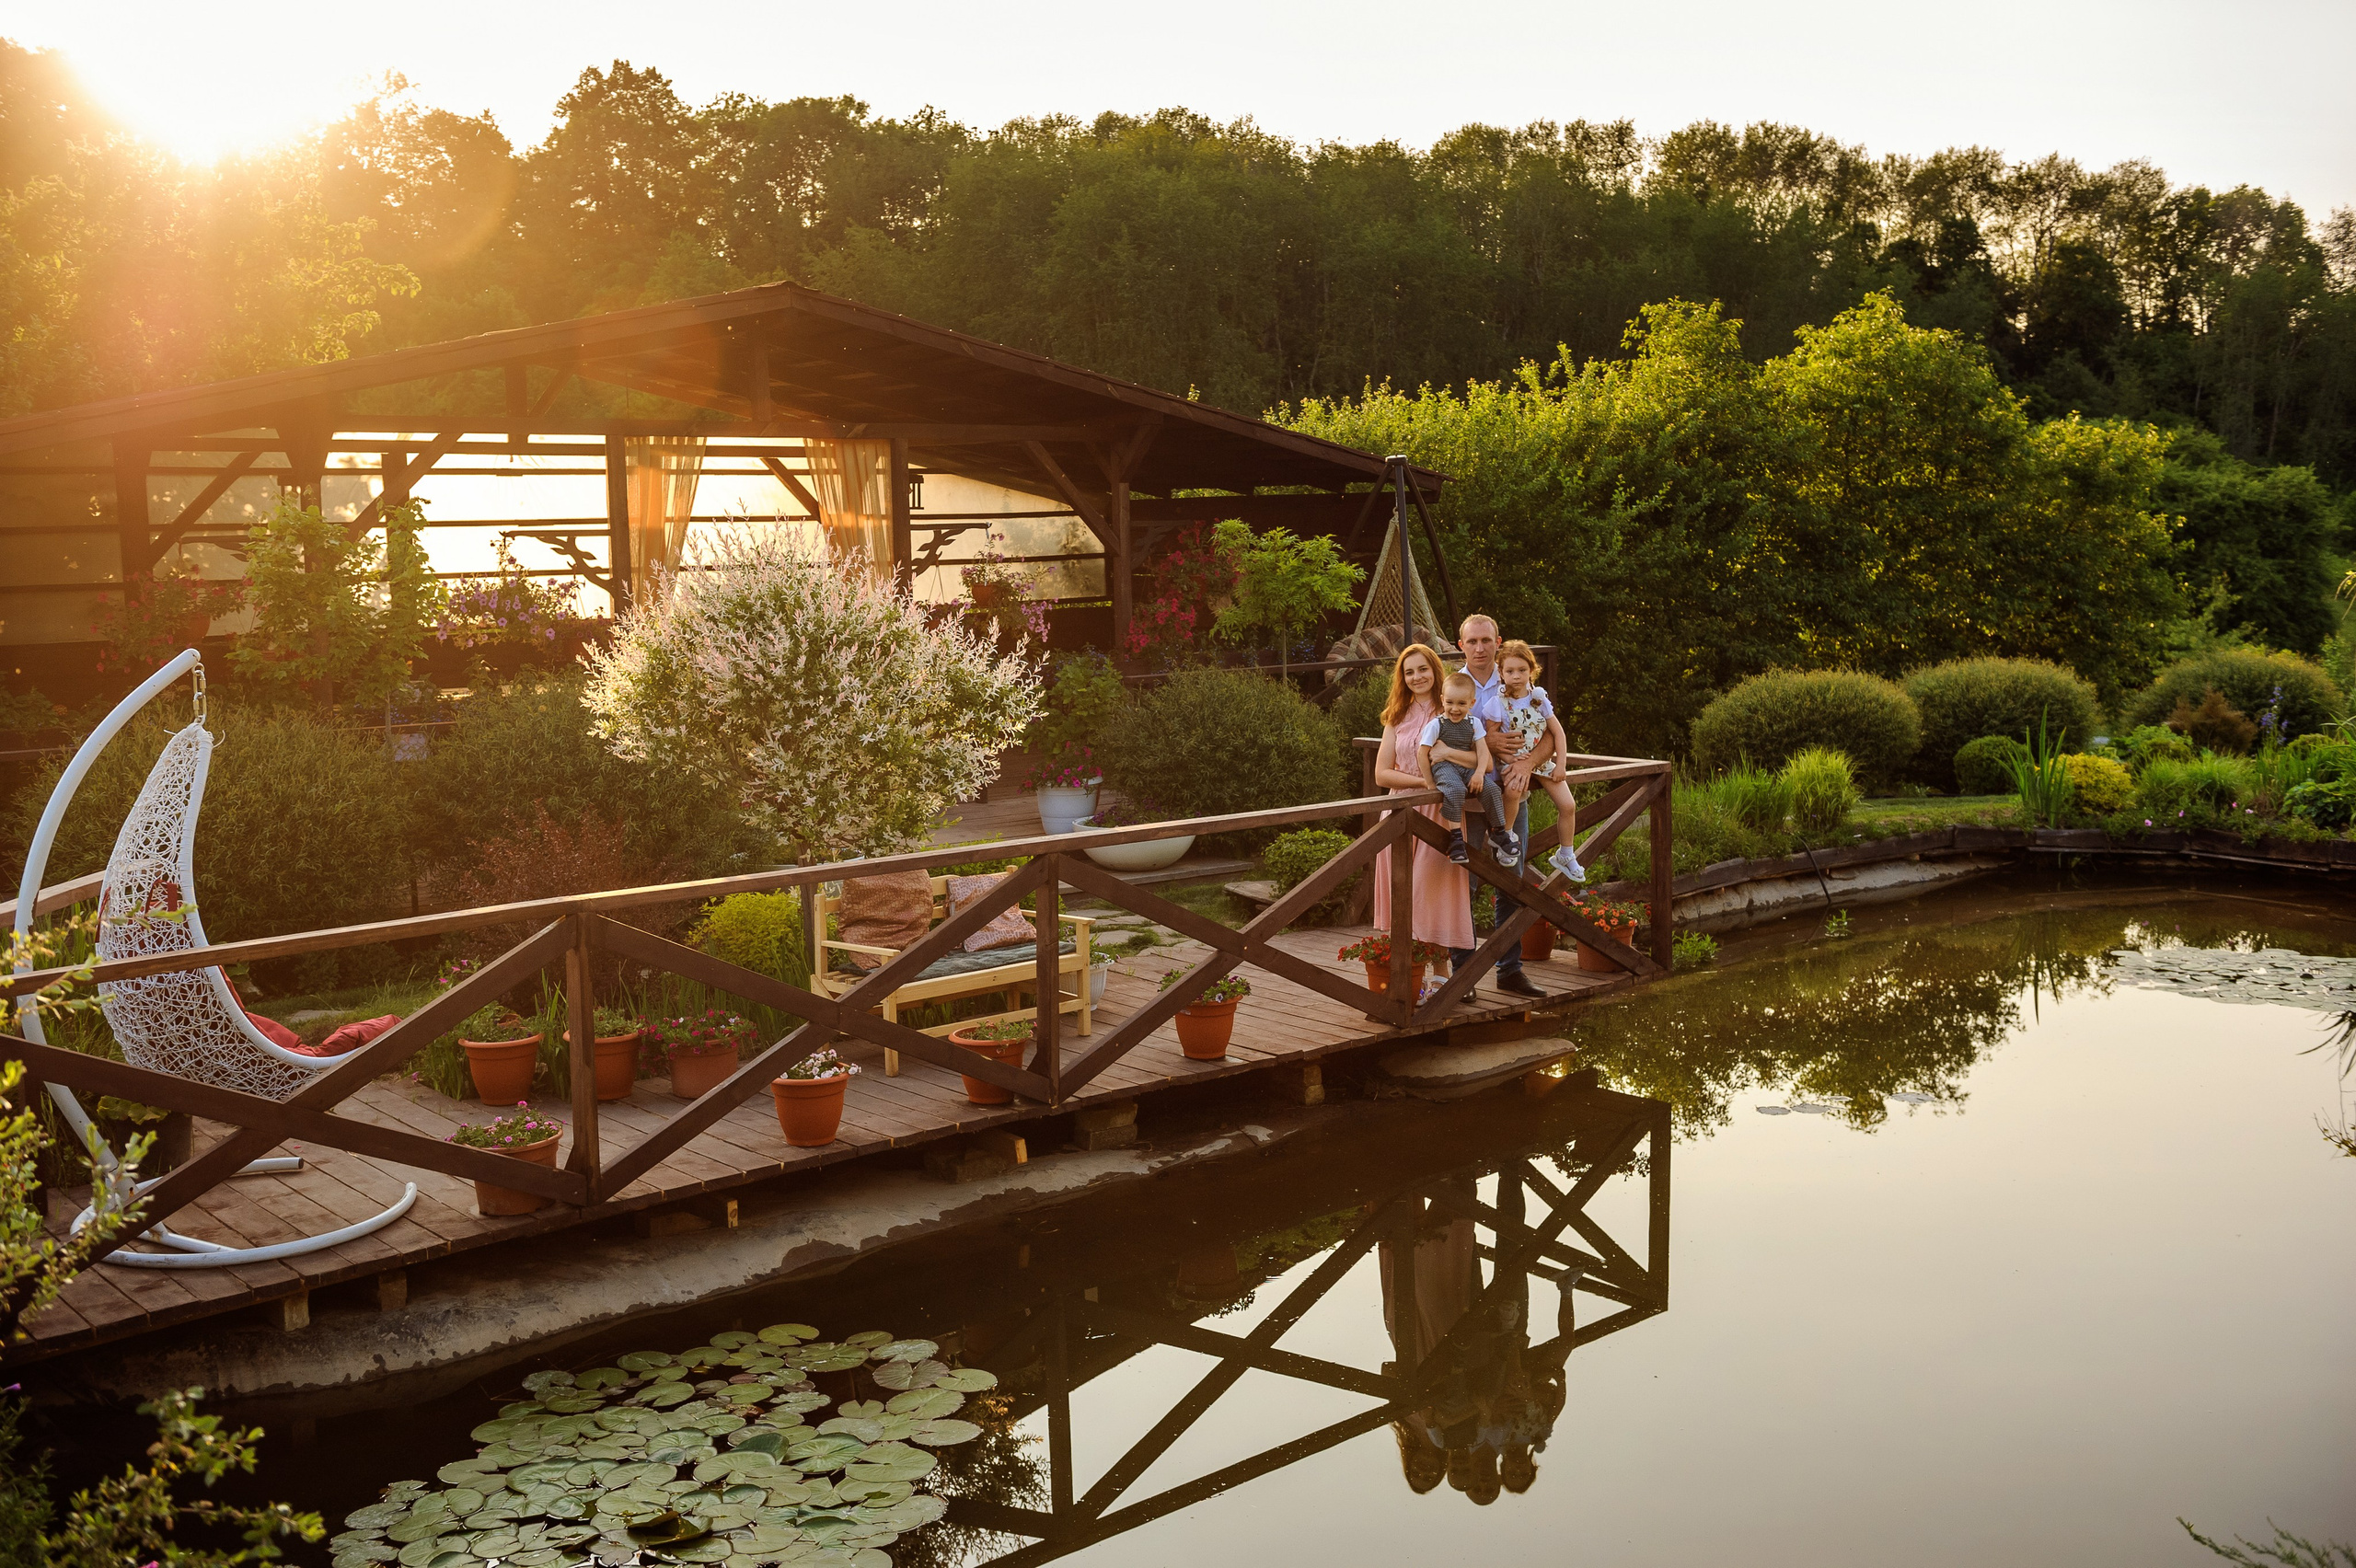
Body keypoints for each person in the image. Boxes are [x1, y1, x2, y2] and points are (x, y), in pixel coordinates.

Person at [1370, 642, 1479, 999]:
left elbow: (1477, 759)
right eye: (1409, 671)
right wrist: (1422, 781)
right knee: (1403, 892)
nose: (1417, 677)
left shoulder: (1451, 710)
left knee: (1432, 890)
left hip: (1440, 812)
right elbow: (1382, 774)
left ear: (1435, 671)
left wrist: (1443, 773)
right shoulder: (1396, 716)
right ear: (1402, 678)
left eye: (1423, 669)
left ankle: (1442, 972)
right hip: (1400, 811)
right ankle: (1407, 974)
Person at [1454, 615, 1547, 997]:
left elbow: (1548, 734)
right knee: (1465, 886)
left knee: (1511, 883)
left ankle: (1509, 969)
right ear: (1461, 645)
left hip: (1511, 800)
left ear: (1498, 641)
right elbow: (1437, 744)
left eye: (1486, 640)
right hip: (1468, 804)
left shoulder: (1516, 678)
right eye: (1472, 641)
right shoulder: (1452, 686)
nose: (1480, 648)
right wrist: (1485, 747)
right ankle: (1463, 974)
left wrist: (1528, 762)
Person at [1492, 640, 1583, 880]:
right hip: (1512, 760)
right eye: (1510, 671)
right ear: (1500, 673)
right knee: (1512, 791)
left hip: (1541, 761)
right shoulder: (1497, 703)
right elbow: (1490, 739)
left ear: (1531, 670)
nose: (1516, 676)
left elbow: (1558, 733)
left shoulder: (1539, 697)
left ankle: (1565, 853)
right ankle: (1506, 837)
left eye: (1522, 670)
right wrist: (1509, 758)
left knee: (1568, 805)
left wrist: (1561, 764)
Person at [1416, 672, 1517, 865]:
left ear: (1471, 703)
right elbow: (1423, 753)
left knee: (1492, 789)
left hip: (1466, 768)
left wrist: (1479, 773)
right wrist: (1429, 782)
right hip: (1444, 767)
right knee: (1455, 790)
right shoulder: (1436, 724)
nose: (1455, 709)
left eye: (1461, 704)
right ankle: (1456, 839)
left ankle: (1499, 832)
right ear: (1442, 700)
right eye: (1450, 703)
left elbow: (1482, 751)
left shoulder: (1474, 723)